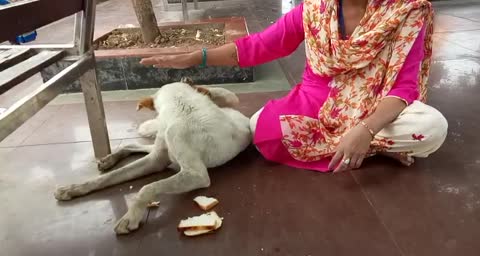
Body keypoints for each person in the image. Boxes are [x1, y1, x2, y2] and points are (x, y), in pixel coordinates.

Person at [140, 0, 448, 173]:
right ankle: (372, 150)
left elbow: (404, 87)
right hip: (316, 101)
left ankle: (360, 144)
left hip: (376, 103)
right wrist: (196, 58)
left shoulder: (405, 12)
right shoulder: (314, 9)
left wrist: (365, 130)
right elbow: (259, 46)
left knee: (432, 127)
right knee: (261, 127)